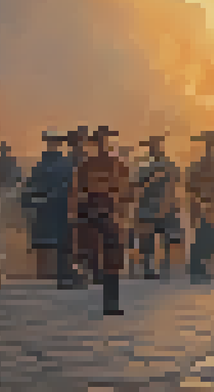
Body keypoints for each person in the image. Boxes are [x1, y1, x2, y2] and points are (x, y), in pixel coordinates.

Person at [72, 125, 132, 315]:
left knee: (111, 258)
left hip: (106, 212)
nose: (101, 144)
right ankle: (108, 299)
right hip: (93, 211)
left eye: (104, 141)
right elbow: (78, 192)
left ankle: (111, 302)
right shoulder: (86, 165)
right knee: (102, 255)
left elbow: (124, 191)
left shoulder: (115, 164)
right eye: (99, 141)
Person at [22, 130, 81, 287]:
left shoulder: (54, 165)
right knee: (58, 243)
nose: (52, 145)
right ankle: (60, 274)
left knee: (59, 243)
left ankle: (61, 274)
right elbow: (30, 189)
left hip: (54, 209)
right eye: (51, 142)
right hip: (54, 210)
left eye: (53, 142)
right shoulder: (51, 165)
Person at [133, 135, 183, 280]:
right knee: (150, 241)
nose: (153, 149)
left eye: (154, 146)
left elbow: (175, 182)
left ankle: (162, 267)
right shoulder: (147, 165)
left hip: (160, 207)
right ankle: (151, 269)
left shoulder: (164, 165)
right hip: (151, 207)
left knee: (165, 239)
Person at [186, 131, 214, 283]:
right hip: (205, 205)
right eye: (208, 144)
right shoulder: (199, 165)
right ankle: (200, 269)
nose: (210, 147)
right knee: (205, 239)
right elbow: (191, 188)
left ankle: (211, 269)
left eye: (211, 143)